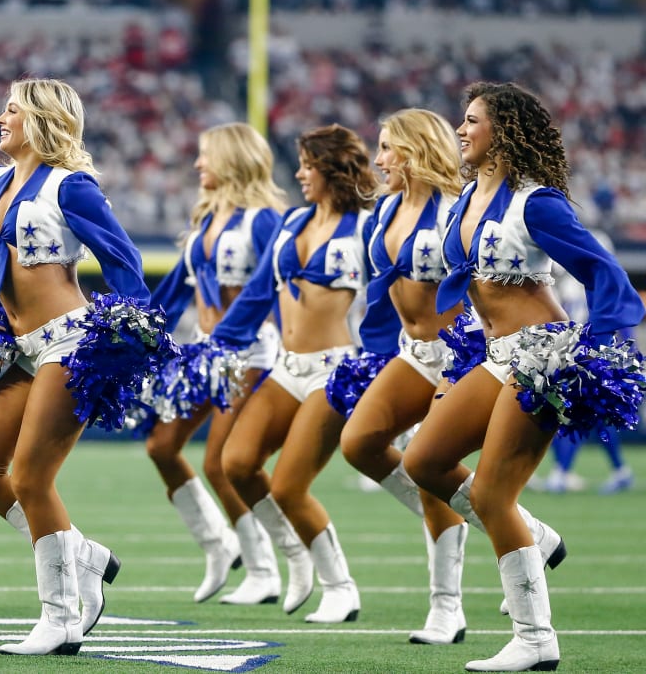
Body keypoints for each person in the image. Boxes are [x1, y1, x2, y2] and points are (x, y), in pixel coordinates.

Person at [403, 82, 644, 672]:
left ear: (503, 130)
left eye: (471, 121)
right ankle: (534, 535)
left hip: (542, 353)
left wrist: (601, 347)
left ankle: (536, 637)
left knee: (491, 493)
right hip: (495, 353)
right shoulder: (465, 198)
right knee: (423, 462)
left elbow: (601, 269)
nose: (460, 130)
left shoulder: (535, 202)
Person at [0, 78, 164, 656]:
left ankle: (63, 616)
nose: (0, 117)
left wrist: (127, 332)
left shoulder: (72, 186)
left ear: (39, 120)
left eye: (11, 109)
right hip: (21, 347)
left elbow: (124, 260)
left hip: (69, 342)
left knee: (32, 478)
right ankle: (81, 556)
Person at [213, 124, 377, 624]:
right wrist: (214, 346)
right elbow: (259, 292)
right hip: (287, 366)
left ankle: (340, 586)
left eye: (308, 165)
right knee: (235, 463)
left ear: (332, 168)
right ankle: (297, 554)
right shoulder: (292, 222)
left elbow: (398, 296)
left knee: (288, 486)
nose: (301, 174)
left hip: (336, 370)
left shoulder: (367, 226)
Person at [333, 108, 469, 644]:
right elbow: (381, 297)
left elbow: (480, 289)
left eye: (388, 148)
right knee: (360, 442)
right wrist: (375, 355)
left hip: (460, 353)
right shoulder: (384, 210)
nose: (379, 158)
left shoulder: (456, 211)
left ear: (416, 151)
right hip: (411, 351)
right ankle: (515, 526)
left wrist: (474, 358)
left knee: (430, 466)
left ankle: (446, 607)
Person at [142, 122, 284, 605]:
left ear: (232, 160)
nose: (199, 164)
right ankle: (219, 546)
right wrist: (139, 331)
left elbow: (275, 290)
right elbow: (176, 293)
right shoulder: (204, 220)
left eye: (206, 156)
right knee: (162, 446)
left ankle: (265, 568)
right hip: (204, 351)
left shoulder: (263, 219)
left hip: (249, 352)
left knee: (222, 463)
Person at [530, 229, 634, 495]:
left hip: (596, 355)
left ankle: (561, 472)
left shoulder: (600, 283)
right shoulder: (577, 282)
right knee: (589, 417)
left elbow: (618, 324)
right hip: (582, 352)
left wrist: (614, 358)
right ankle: (618, 471)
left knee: (574, 412)